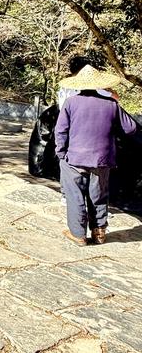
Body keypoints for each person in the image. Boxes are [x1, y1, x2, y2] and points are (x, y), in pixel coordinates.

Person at [55, 65, 137, 245]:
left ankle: (78, 234)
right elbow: (130, 128)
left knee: (75, 195)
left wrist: (61, 152)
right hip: (102, 159)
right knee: (98, 194)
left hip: (74, 158)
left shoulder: (71, 102)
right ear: (100, 85)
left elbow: (60, 131)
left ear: (79, 85)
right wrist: (116, 102)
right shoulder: (111, 104)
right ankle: (99, 233)